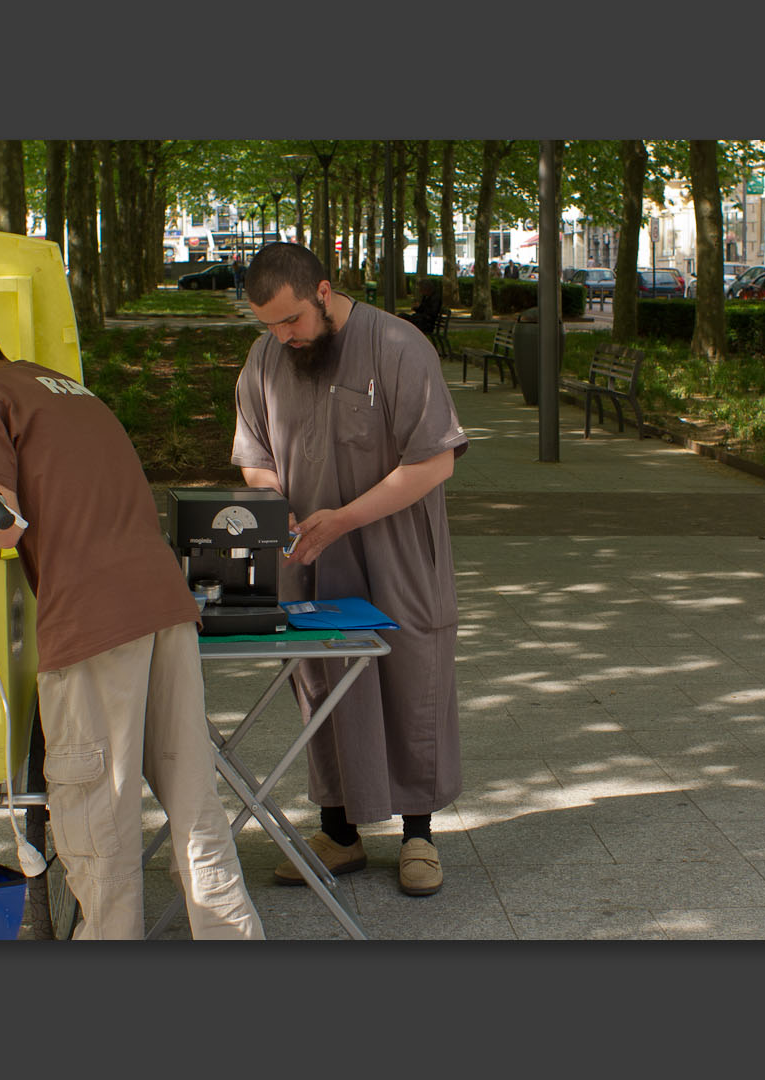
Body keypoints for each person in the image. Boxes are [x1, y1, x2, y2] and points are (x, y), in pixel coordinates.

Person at [0, 309, 263, 940]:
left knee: (98, 810)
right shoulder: (65, 386)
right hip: (163, 605)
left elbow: (1, 524)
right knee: (193, 800)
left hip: (92, 618)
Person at [231, 242, 468, 896]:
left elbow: (435, 461)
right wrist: (274, 507)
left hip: (397, 555)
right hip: (310, 557)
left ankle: (419, 835)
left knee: (411, 678)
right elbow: (254, 452)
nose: (284, 337)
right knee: (322, 685)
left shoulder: (398, 344)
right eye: (269, 326)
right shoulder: (264, 358)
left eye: (292, 321)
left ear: (324, 293)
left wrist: (345, 517)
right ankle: (338, 831)